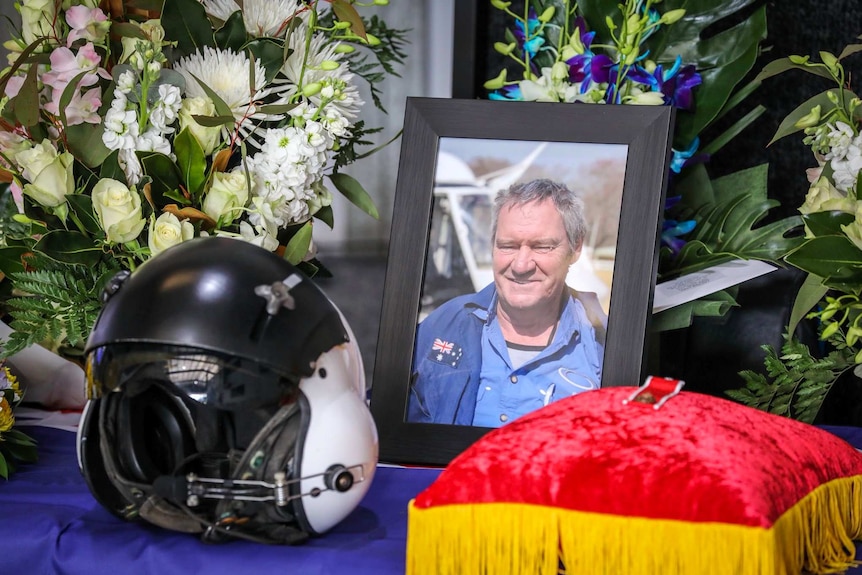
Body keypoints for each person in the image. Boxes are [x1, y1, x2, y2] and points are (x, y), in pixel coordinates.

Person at [407, 178, 607, 426]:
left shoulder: (602, 345)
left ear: (575, 249)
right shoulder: (443, 326)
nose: (521, 265)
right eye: (508, 246)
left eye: (542, 247)